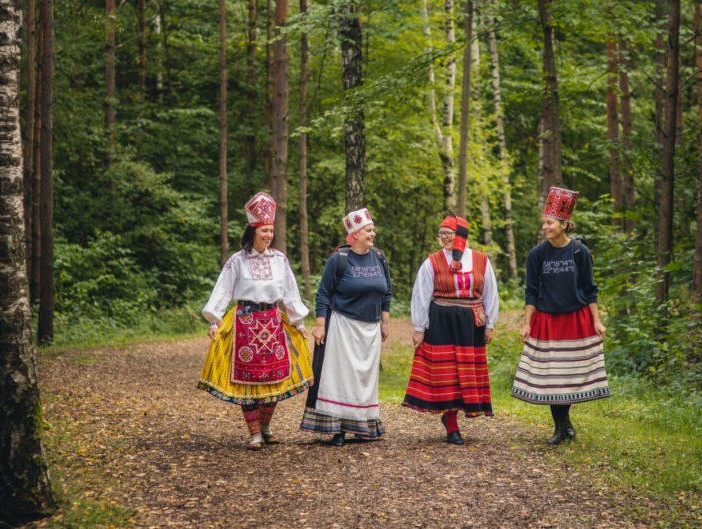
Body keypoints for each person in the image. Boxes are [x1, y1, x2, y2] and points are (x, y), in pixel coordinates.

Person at [199, 191, 314, 450]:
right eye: (264, 230)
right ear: (253, 230)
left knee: (274, 377)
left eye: (271, 230)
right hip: (245, 323)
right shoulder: (237, 261)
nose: (269, 235)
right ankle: (254, 433)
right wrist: (214, 321)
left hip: (273, 323)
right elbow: (222, 290)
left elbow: (290, 291)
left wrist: (299, 321)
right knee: (246, 381)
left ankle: (265, 426)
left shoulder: (280, 260)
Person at [512, 187, 610, 445]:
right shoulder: (537, 254)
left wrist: (596, 320)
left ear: (564, 224)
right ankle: (560, 427)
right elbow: (531, 291)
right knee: (553, 377)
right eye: (544, 222)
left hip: (576, 320)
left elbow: (590, 290)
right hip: (548, 320)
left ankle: (564, 423)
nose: (545, 227)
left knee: (569, 375)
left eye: (550, 222)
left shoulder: (579, 251)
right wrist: (527, 324)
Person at [403, 215, 499, 445]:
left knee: (465, 372)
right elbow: (421, 295)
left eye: (449, 233)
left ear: (461, 236)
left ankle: (455, 419)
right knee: (448, 374)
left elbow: (490, 294)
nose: (444, 238)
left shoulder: (481, 260)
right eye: (441, 233)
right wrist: (419, 327)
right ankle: (451, 424)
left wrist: (490, 325)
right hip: (442, 323)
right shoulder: (432, 262)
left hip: (470, 325)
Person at [300, 207, 392, 446]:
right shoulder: (339, 260)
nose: (373, 234)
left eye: (373, 230)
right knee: (341, 377)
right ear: (356, 234)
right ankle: (338, 428)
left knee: (364, 379)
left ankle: (363, 425)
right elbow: (323, 294)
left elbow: (387, 291)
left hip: (370, 330)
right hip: (343, 326)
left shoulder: (379, 258)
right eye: (368, 230)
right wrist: (320, 325)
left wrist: (385, 322)